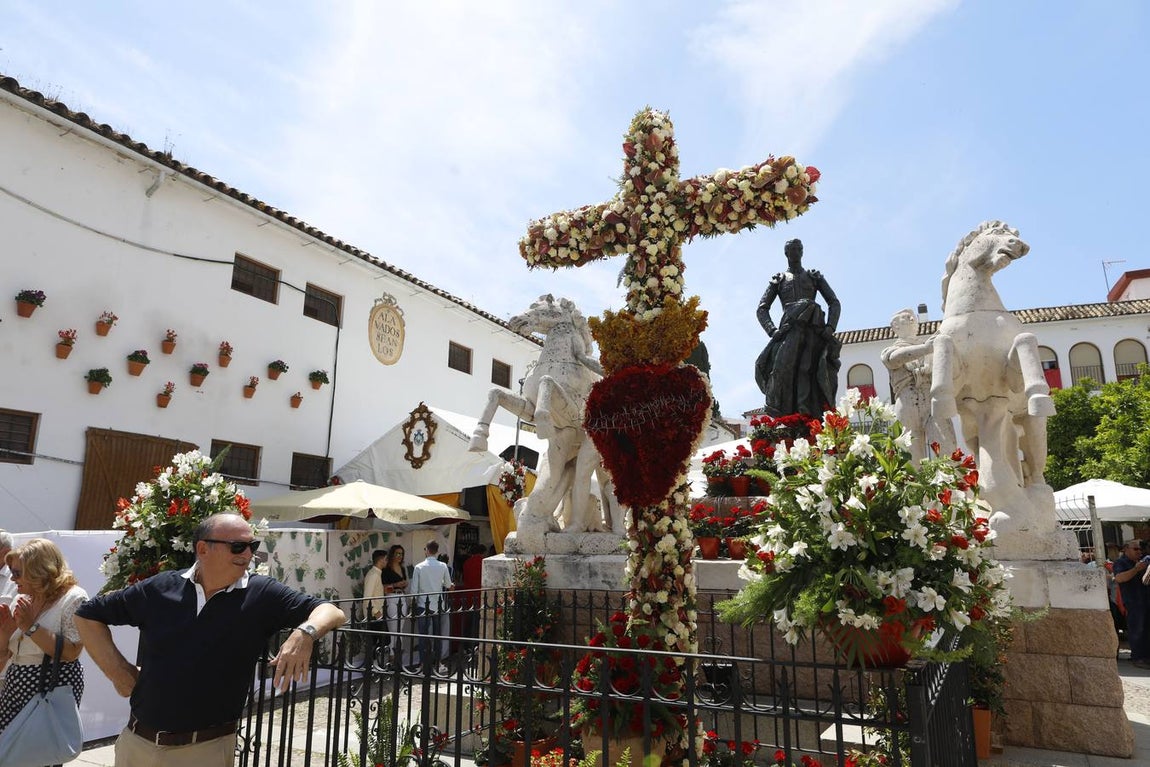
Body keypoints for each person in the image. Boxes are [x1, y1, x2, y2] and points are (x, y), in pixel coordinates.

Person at [74, 512, 346, 766]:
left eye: (253, 545)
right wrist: (119, 673)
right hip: (137, 746)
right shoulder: (161, 587)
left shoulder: (261, 594)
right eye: (238, 546)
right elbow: (87, 615)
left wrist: (305, 633)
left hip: (205, 751)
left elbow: (331, 611)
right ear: (203, 549)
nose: (249, 554)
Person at [0, 538, 88, 734]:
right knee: (9, 751)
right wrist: (4, 635)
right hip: (15, 683)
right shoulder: (21, 598)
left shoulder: (74, 598)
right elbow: (5, 656)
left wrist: (31, 627)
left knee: (40, 752)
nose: (12, 579)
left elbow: (71, 652)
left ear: (38, 570)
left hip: (50, 685)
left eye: (16, 573)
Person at [754, 238, 842, 417]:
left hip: (813, 333)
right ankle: (788, 418)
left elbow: (834, 302)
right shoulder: (778, 280)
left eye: (799, 249)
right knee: (782, 372)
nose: (796, 252)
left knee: (809, 372)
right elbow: (762, 309)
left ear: (802, 252)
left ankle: (809, 416)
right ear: (786, 253)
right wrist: (772, 330)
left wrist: (830, 327)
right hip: (789, 333)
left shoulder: (814, 277)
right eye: (792, 250)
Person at [880, 308, 957, 461]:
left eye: (913, 317)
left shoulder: (931, 348)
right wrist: (926, 349)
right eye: (906, 317)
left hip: (931, 399)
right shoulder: (890, 349)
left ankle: (953, 483)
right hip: (906, 401)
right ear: (895, 326)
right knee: (910, 456)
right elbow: (894, 359)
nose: (911, 319)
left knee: (947, 447)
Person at [407, 540, 452, 675]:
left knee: (423, 636)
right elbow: (448, 585)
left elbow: (414, 590)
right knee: (437, 635)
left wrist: (412, 604)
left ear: (426, 550)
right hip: (437, 605)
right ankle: (438, 663)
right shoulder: (443, 566)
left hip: (422, 605)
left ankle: (422, 664)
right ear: (437, 551)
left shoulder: (419, 567)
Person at [1113, 539, 1149, 668]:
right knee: (1137, 629)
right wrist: (1136, 569)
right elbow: (1119, 578)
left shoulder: (1144, 561)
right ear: (1126, 549)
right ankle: (1138, 658)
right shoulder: (1121, 563)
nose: (1139, 552)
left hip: (1146, 599)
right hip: (1133, 602)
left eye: (1140, 549)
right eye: (1135, 549)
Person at [380, 545, 409, 665]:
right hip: (392, 598)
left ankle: (397, 656)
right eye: (397, 553)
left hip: (402, 596)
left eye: (401, 554)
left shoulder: (402, 568)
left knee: (400, 628)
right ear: (392, 554)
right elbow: (384, 589)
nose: (399, 556)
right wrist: (397, 584)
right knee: (393, 628)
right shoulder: (386, 569)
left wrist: (403, 585)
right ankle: (392, 657)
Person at [363, 549, 388, 626]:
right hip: (374, 616)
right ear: (380, 560)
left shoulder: (376, 573)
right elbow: (367, 597)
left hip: (376, 615)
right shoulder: (374, 575)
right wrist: (377, 612)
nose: (387, 561)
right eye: (386, 559)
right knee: (385, 638)